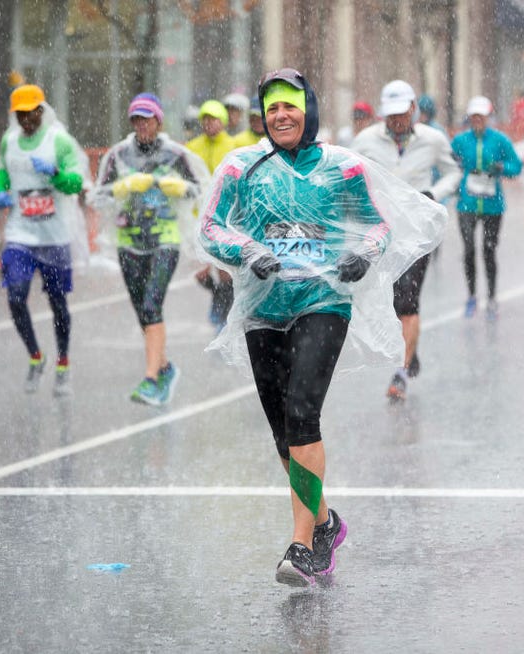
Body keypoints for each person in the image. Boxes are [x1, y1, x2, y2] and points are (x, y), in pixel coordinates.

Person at [197, 67, 446, 586]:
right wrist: (248, 250)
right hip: (262, 309)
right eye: (271, 110)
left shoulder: (341, 167)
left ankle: (302, 545)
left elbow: (379, 226)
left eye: (289, 106)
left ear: (308, 110)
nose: (280, 116)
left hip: (323, 302)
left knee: (303, 412)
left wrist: (364, 253)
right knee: (282, 433)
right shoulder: (241, 167)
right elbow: (210, 227)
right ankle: (326, 521)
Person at [91, 93, 209, 405]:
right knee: (142, 310)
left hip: (165, 239)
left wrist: (179, 187)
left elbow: (202, 189)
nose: (142, 125)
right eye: (136, 120)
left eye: (147, 119)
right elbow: (97, 197)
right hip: (129, 241)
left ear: (158, 121)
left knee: (151, 305)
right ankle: (165, 367)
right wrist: (122, 187)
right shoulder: (118, 156)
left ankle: (150, 379)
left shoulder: (175, 155)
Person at [350, 79, 461, 401]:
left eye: (402, 113)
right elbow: (345, 174)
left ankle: (400, 372)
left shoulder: (433, 139)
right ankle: (410, 349)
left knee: (408, 300)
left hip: (417, 234)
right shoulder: (365, 141)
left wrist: (434, 194)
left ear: (413, 109)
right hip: (380, 233)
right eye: (391, 114)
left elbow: (454, 172)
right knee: (387, 298)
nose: (397, 120)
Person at [0, 84, 89, 396]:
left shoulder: (58, 141)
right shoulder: (9, 141)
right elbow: (2, 175)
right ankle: (36, 356)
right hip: (21, 233)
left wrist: (57, 173)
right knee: (15, 295)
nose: (25, 120)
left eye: (30, 113)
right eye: (19, 115)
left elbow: (77, 183)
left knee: (57, 302)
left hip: (54, 235)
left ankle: (62, 363)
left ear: (41, 110)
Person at [451, 95, 522, 319]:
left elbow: (516, 166)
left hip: (492, 205)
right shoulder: (461, 140)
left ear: (488, 117)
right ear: (470, 118)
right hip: (467, 203)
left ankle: (491, 298)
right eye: (474, 117)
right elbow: (447, 162)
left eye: (481, 116)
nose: (478, 120)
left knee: (489, 251)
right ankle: (471, 296)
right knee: (469, 250)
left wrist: (501, 167)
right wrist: (454, 176)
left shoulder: (499, 140)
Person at [186, 99, 237, 330]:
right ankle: (220, 301)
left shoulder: (233, 145)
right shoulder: (192, 147)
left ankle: (222, 314)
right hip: (197, 217)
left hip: (225, 217)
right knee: (201, 272)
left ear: (223, 121)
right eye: (205, 120)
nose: (209, 124)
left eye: (214, 119)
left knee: (225, 270)